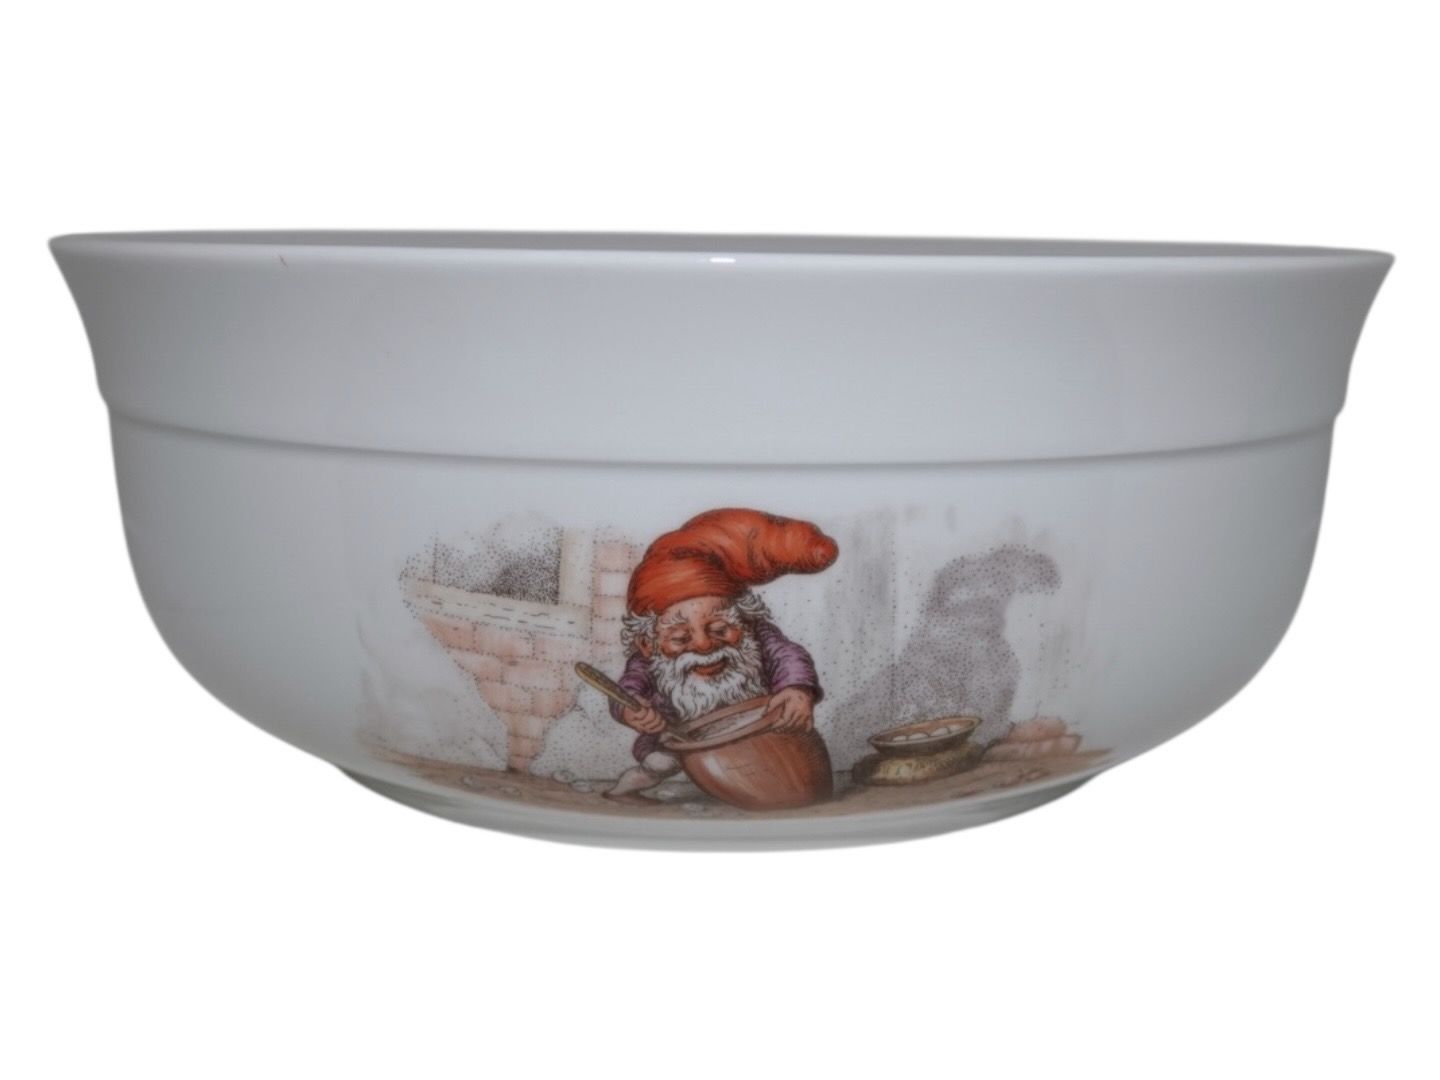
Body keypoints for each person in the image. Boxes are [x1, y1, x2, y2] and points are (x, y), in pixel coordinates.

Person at [603, 508, 838, 798]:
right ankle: (640, 780)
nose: (704, 646)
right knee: (660, 762)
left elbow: (788, 657)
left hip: (763, 729)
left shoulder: (759, 637)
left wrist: (797, 689)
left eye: (719, 629)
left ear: (744, 620)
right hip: (682, 740)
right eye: (680, 638)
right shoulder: (646, 662)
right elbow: (626, 690)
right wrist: (631, 708)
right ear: (647, 643)